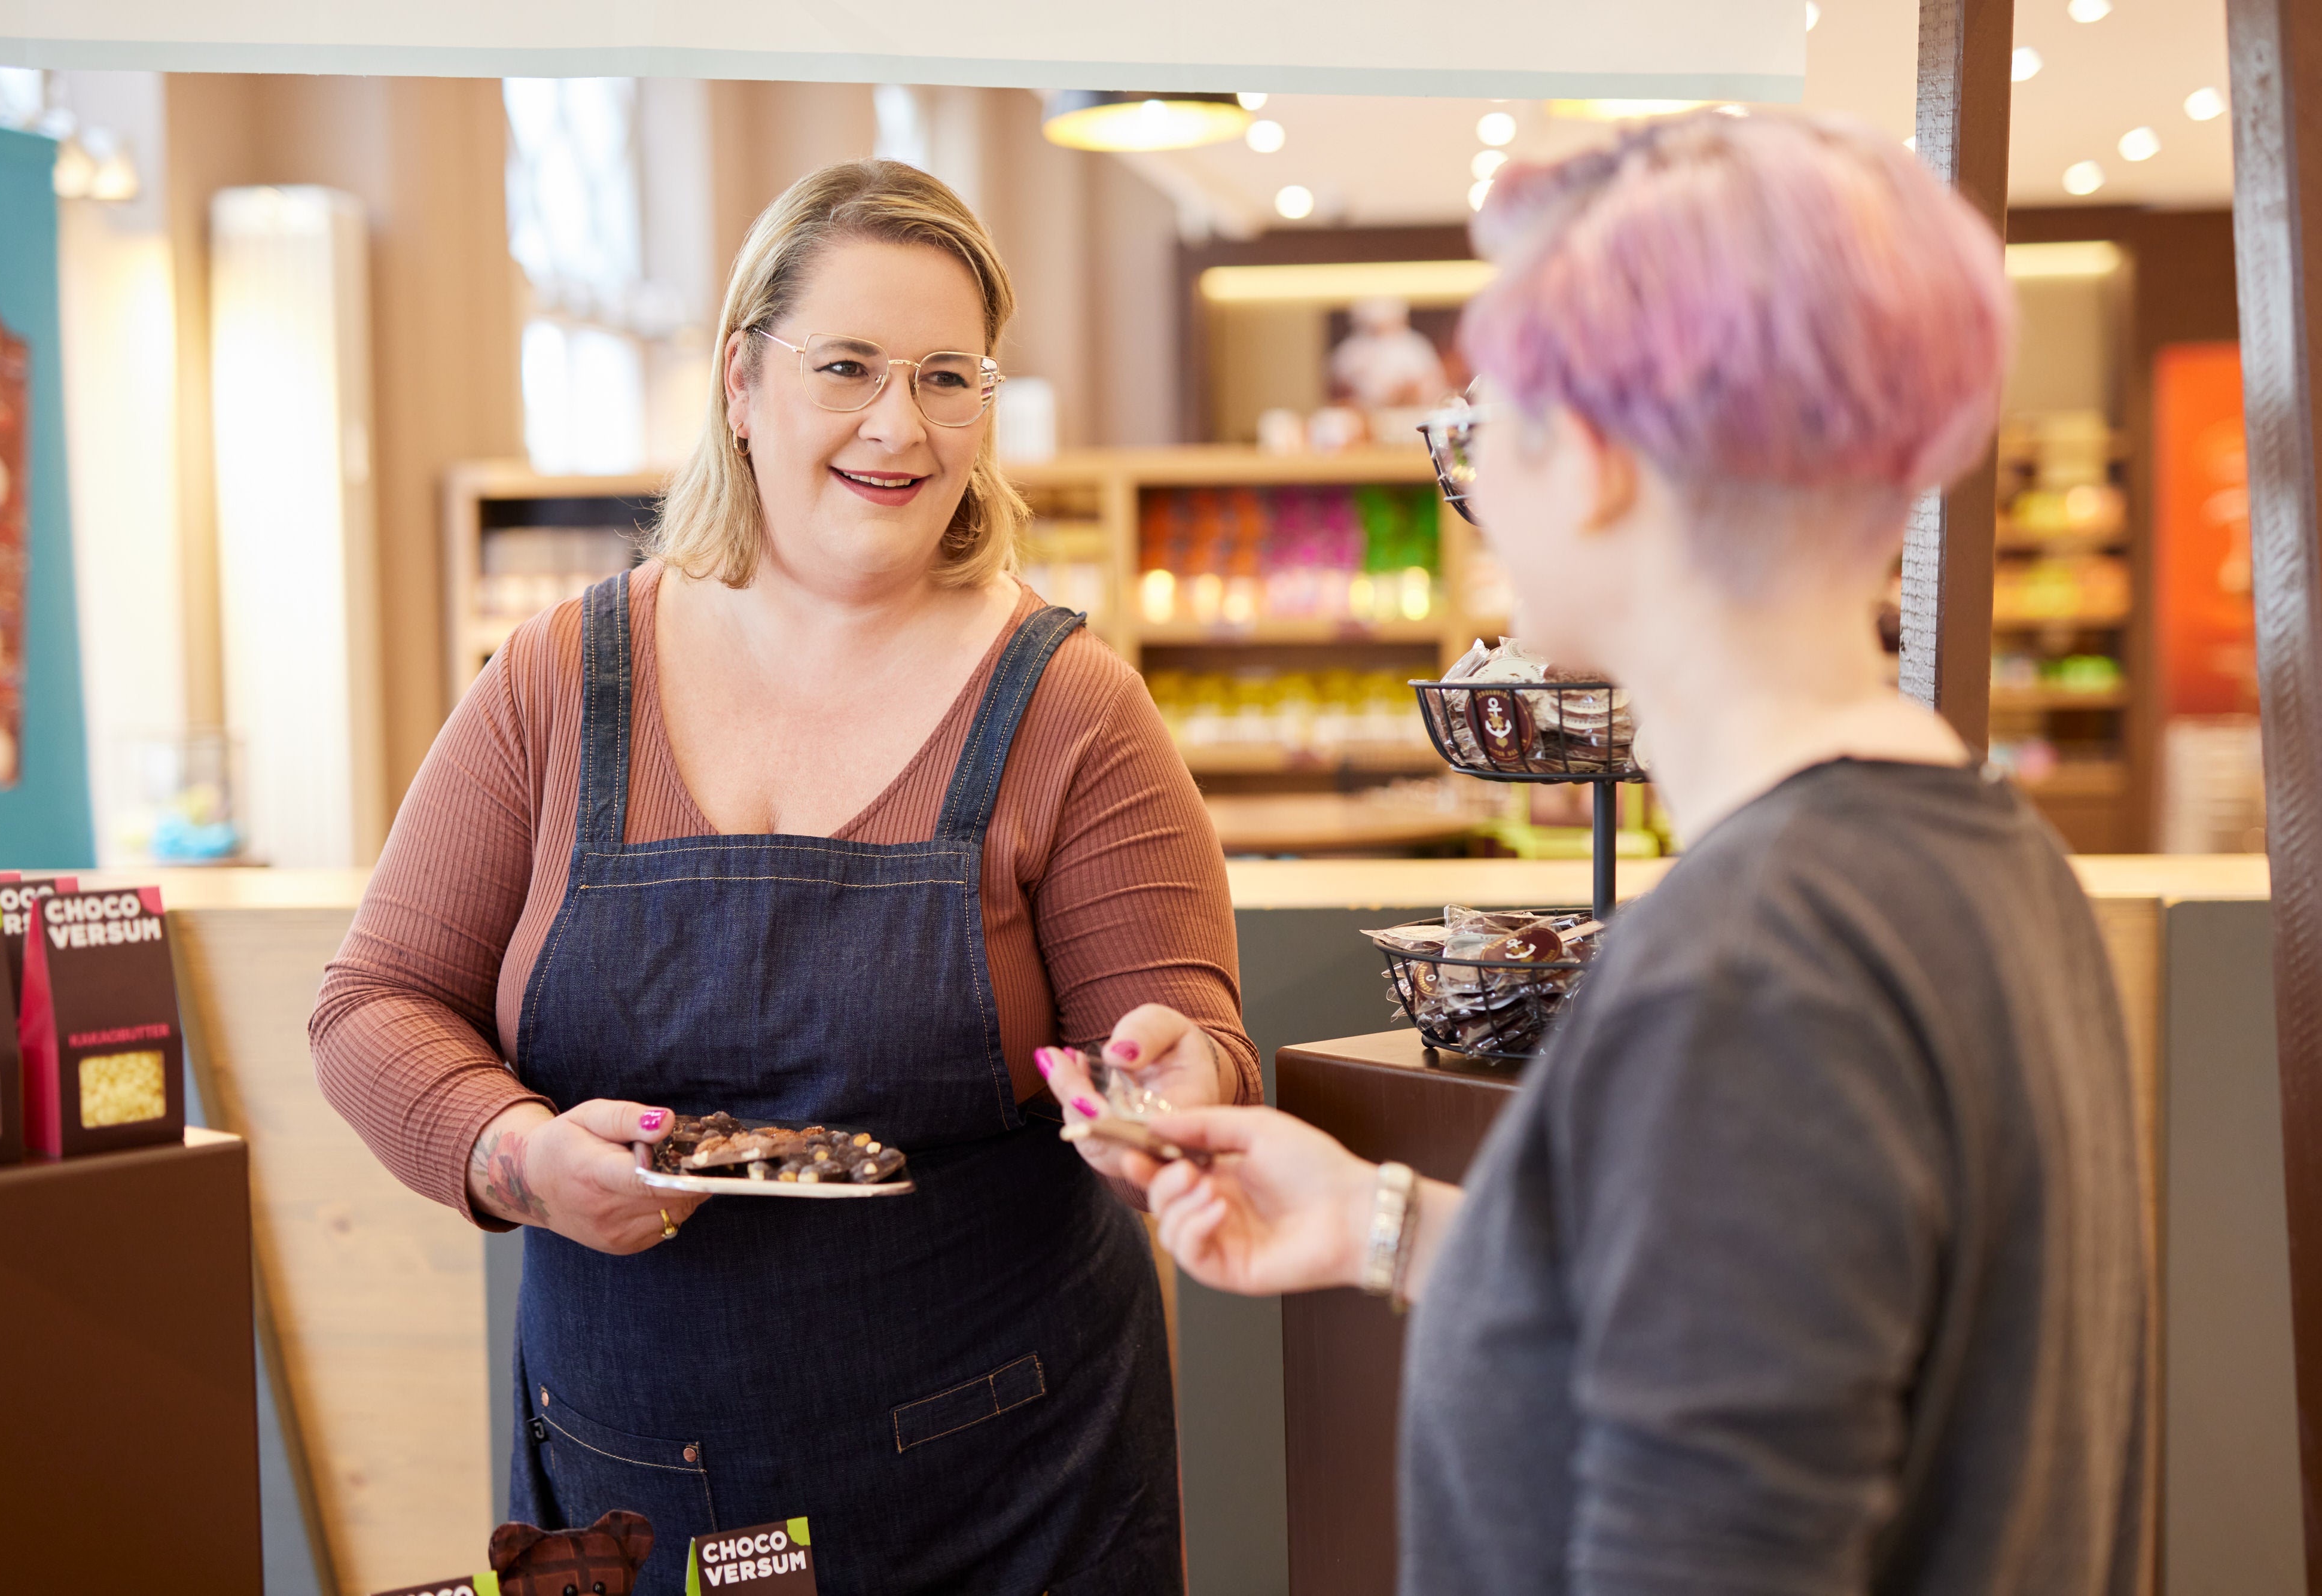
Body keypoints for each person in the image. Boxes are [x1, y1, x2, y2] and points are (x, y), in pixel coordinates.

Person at [1047, 111, 2148, 1592]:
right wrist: (1381, 1223)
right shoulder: (1977, 854)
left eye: (1494, 414)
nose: (1475, 469)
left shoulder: (1748, 964)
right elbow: (1738, 1307)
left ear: (1597, 460)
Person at [311, 160, 1259, 1595]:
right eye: (846, 366)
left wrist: (1177, 1082)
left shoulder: (1071, 707)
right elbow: (373, 1001)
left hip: (1008, 1481)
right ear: (741, 382)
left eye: (947, 377)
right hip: (630, 1481)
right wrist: (516, 1157)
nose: (900, 424)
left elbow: (1188, 1034)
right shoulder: (559, 679)